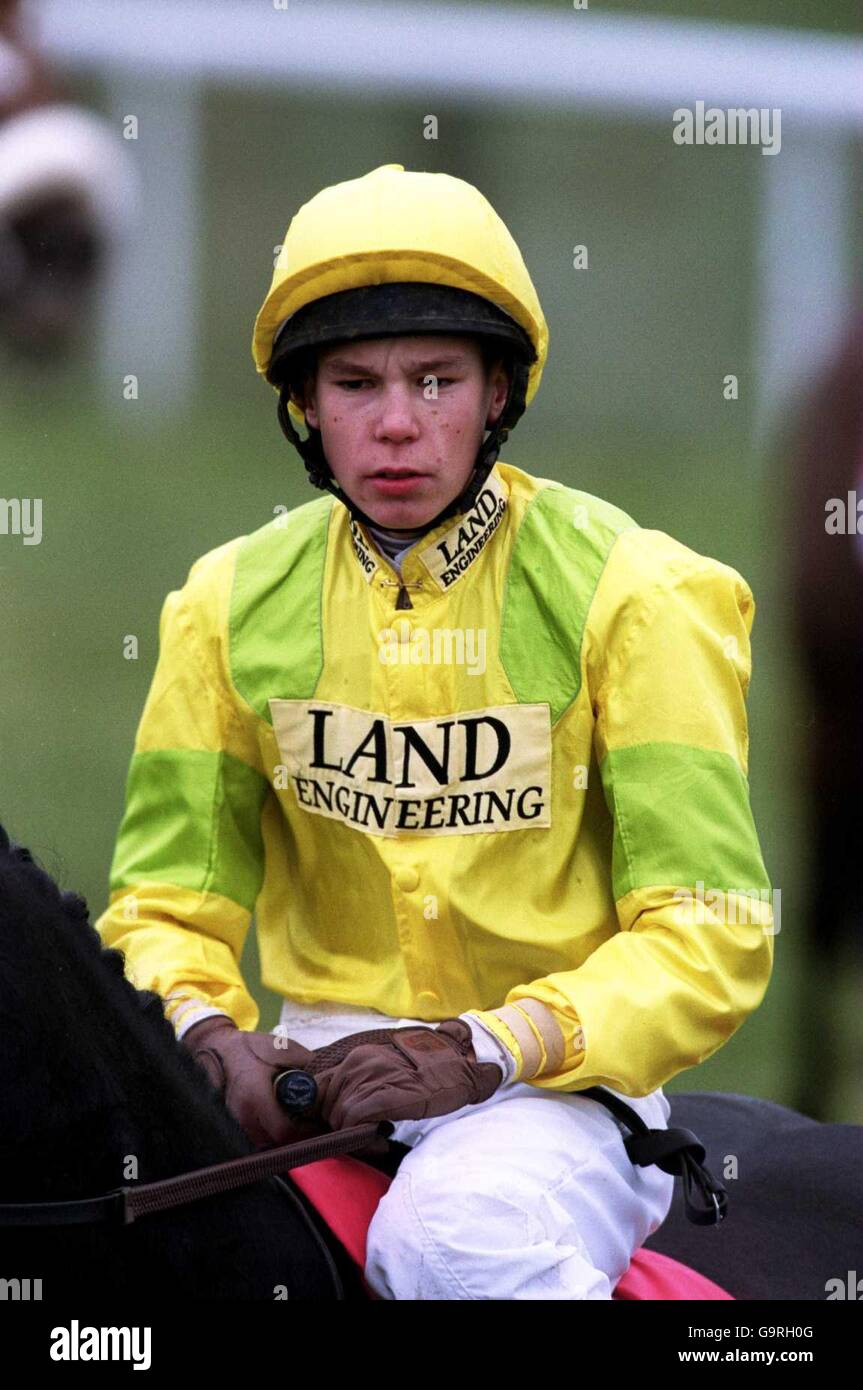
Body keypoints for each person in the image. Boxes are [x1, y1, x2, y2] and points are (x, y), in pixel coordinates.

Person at [95, 163, 774, 1300]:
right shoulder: (222, 604)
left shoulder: (638, 595)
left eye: (435, 379)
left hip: (554, 1096)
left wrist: (485, 1047)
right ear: (305, 407)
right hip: (313, 1082)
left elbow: (712, 932)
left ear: (498, 392)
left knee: (442, 1244)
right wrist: (207, 1031)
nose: (397, 423)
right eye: (355, 383)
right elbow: (161, 905)